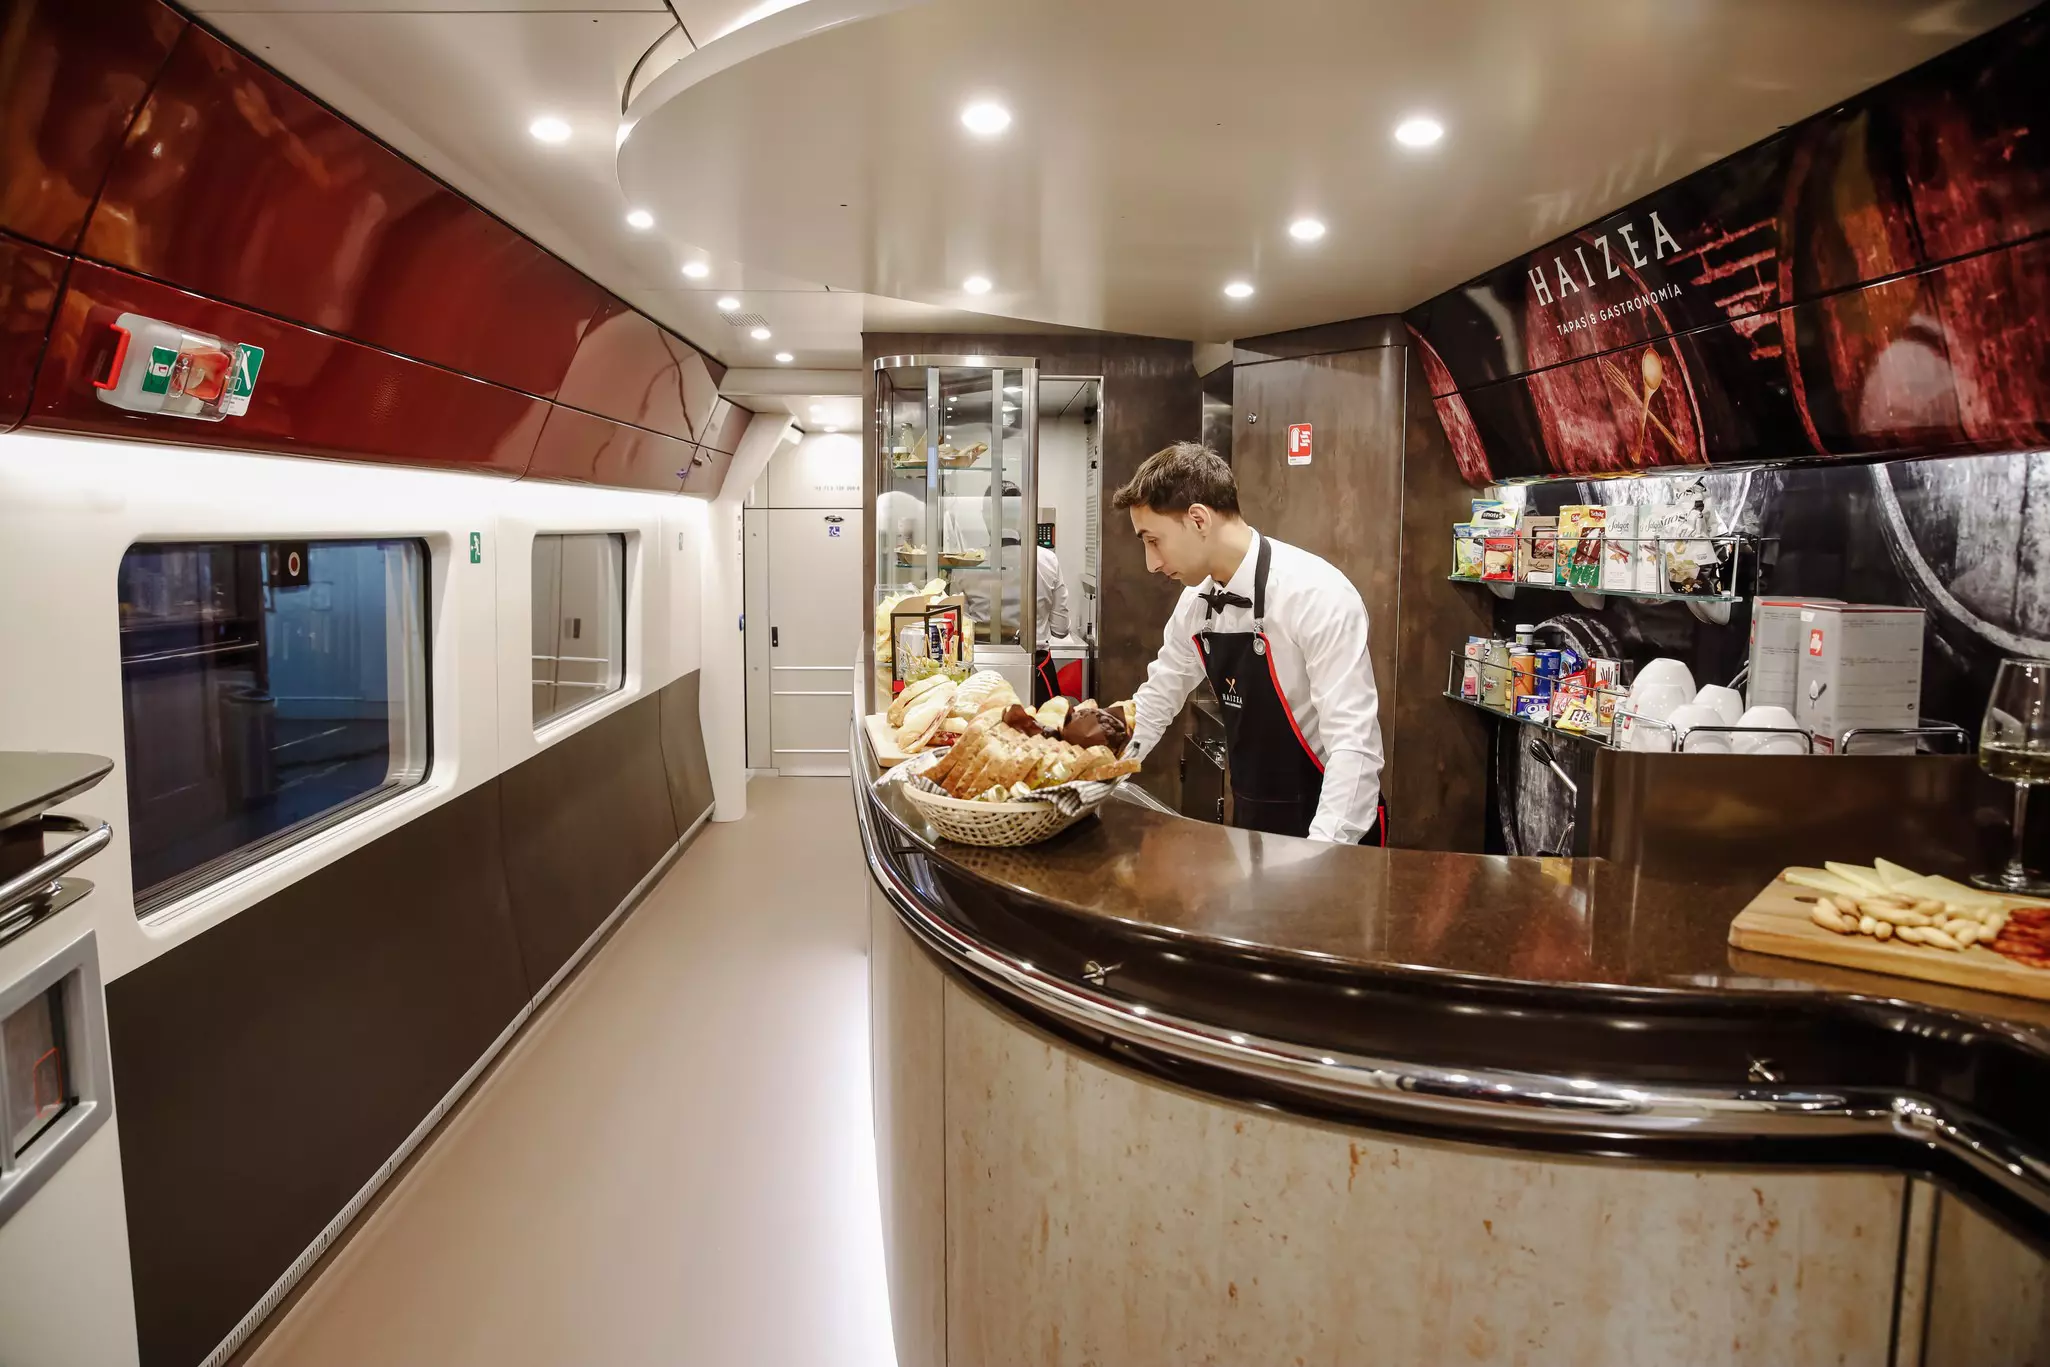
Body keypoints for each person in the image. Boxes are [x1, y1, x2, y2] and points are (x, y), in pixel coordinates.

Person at [1115, 442, 1386, 844]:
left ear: (1198, 519)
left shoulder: (1315, 594)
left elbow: (1354, 746)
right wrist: (1103, 773)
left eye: (1153, 540)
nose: (1151, 563)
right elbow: (1157, 701)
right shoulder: (1196, 605)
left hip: (1335, 830)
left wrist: (1325, 858)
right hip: (1254, 822)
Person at [955, 530, 1071, 704]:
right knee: (1042, 727)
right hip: (1034, 669)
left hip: (980, 671)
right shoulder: (1047, 558)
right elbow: (1060, 629)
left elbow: (958, 623)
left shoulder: (966, 563)